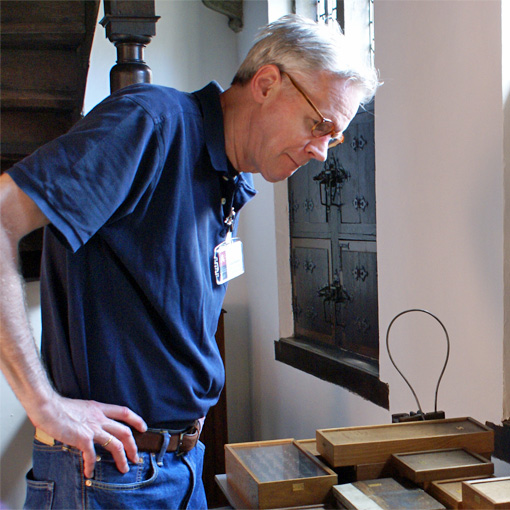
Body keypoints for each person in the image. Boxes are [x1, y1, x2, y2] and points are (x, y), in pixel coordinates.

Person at [0, 13, 378, 510]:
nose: (320, 153)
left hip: (182, 465)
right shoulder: (151, 123)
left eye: (333, 138)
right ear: (267, 83)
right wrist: (43, 405)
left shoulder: (228, 180)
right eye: (319, 125)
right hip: (108, 473)